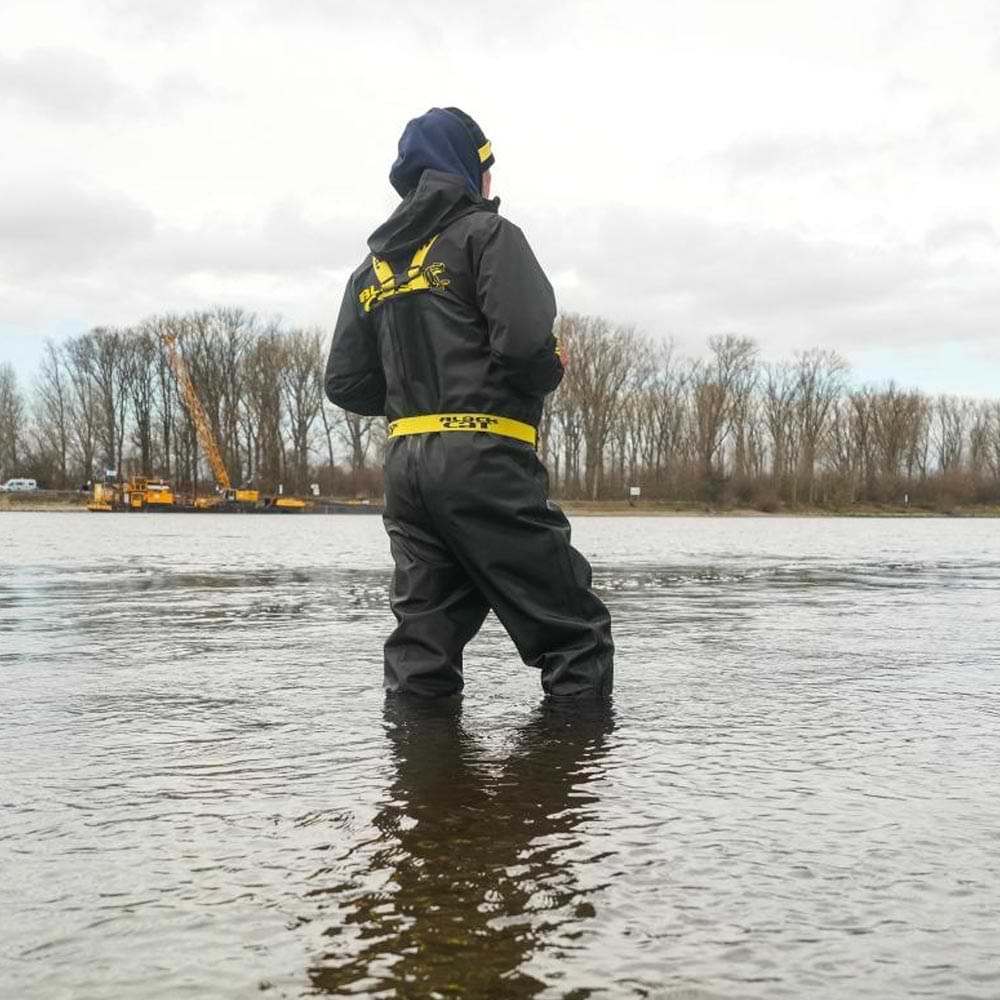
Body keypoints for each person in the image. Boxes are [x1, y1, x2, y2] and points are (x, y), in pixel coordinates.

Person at [325, 106, 613, 699]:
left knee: (422, 647)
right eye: (487, 168)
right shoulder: (488, 236)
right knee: (573, 633)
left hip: (407, 471)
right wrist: (549, 366)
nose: (491, 183)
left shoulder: (371, 268)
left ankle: (418, 786)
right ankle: (576, 784)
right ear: (469, 168)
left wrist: (416, 397)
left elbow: (345, 382)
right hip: (484, 461)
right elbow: (527, 347)